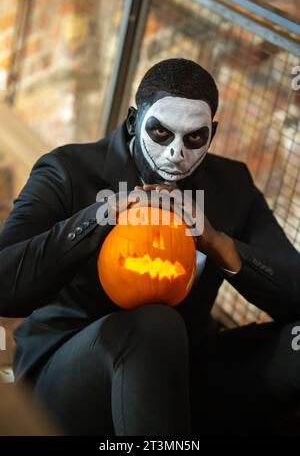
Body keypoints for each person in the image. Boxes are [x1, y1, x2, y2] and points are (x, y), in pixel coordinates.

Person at [0, 58, 300, 436]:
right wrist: (98, 217)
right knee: (156, 323)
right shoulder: (67, 170)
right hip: (66, 377)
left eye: (194, 138)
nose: (176, 152)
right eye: (161, 133)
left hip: (184, 369)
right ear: (133, 122)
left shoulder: (231, 186)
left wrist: (219, 244)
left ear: (213, 133)